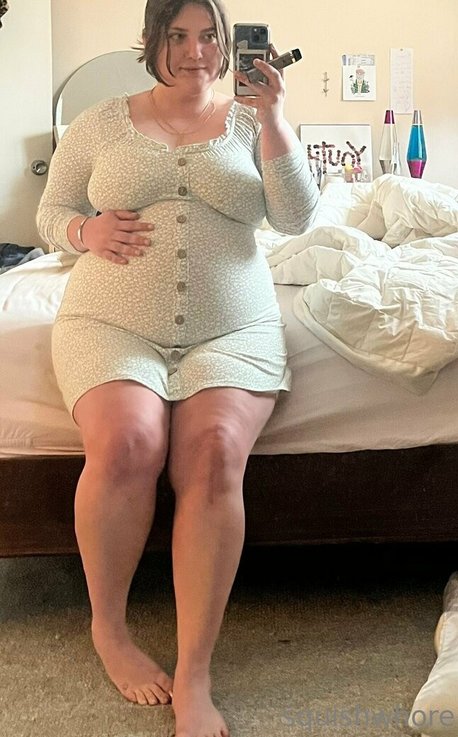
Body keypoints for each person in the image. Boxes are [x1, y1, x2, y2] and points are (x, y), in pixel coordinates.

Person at [37, 1, 318, 735]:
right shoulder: (100, 123)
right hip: (112, 322)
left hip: (233, 328)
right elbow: (50, 211)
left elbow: (296, 218)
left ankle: (196, 670)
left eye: (208, 38)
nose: (196, 52)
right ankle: (110, 629)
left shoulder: (254, 119)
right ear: (151, 42)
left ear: (228, 47)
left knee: (215, 450)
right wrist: (83, 228)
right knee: (128, 441)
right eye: (178, 37)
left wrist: (274, 118)